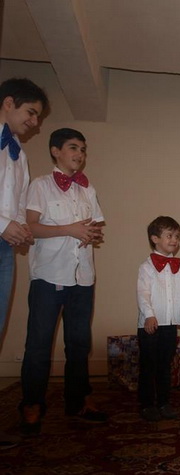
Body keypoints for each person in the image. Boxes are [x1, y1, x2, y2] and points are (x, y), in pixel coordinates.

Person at [20, 128, 106, 436]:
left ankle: (78, 400)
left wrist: (91, 234)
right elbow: (30, 228)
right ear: (56, 151)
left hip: (82, 278)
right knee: (39, 344)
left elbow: (94, 227)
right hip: (48, 277)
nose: (79, 154)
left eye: (82, 149)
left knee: (79, 344)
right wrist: (69, 229)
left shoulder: (88, 189)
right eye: (73, 148)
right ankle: (32, 403)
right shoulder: (40, 185)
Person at [0, 78, 48, 449]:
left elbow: (15, 207)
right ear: (8, 102)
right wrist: (5, 225)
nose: (34, 122)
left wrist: (19, 229)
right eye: (31, 113)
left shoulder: (20, 153)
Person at [137, 216, 180, 422]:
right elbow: (143, 294)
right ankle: (146, 404)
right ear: (155, 238)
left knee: (164, 365)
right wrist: (149, 315)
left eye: (177, 237)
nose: (175, 240)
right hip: (151, 325)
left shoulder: (179, 267)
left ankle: (163, 402)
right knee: (148, 366)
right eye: (169, 236)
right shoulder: (146, 267)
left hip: (170, 324)